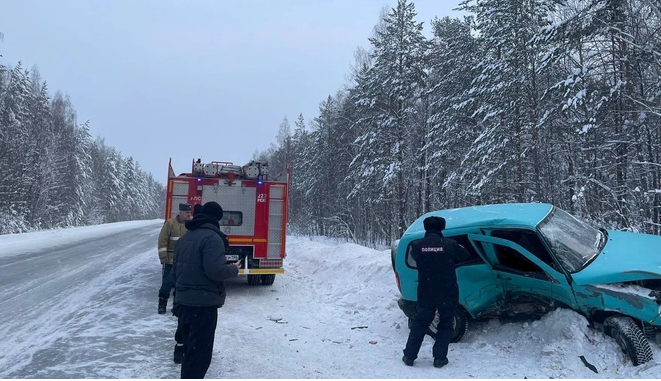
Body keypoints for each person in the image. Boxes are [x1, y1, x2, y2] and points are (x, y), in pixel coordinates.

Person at [172, 201, 241, 379]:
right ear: (217, 218)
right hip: (202, 306)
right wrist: (233, 268)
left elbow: (175, 271)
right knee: (199, 356)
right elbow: (216, 271)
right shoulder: (213, 238)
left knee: (190, 352)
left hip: (184, 303)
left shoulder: (185, 238)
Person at [402, 216, 469, 368]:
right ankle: (439, 358)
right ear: (442, 227)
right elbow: (465, 255)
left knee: (420, 323)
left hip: (426, 290)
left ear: (426, 228)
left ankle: (409, 356)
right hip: (447, 291)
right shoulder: (451, 245)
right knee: (445, 324)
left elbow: (415, 257)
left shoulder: (417, 245)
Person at [172, 203, 204, 364]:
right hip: (196, 292)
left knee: (183, 322)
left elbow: (176, 266)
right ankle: (189, 351)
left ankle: (179, 349)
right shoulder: (201, 234)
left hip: (183, 288)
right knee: (195, 326)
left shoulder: (187, 234)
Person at [157, 203, 192, 314]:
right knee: (167, 283)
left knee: (180, 285)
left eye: (189, 212)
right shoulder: (170, 224)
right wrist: (163, 257)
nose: (189, 214)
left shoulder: (191, 225)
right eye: (187, 212)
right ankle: (162, 304)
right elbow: (162, 241)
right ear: (180, 212)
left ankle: (177, 306)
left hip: (184, 262)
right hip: (170, 261)